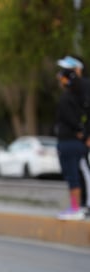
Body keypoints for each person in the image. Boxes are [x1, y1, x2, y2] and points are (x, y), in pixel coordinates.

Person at [57, 55, 90, 215]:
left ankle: (83, 206)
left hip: (80, 140)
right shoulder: (73, 91)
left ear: (77, 70)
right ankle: (79, 206)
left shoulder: (85, 87)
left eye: (68, 71)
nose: (63, 75)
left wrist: (86, 134)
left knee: (83, 172)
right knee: (76, 173)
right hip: (74, 140)